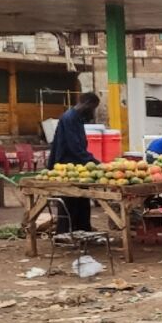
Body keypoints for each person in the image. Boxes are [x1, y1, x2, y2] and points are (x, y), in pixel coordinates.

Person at [47, 93, 100, 233]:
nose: (93, 112)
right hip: (67, 166)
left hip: (78, 167)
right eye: (94, 108)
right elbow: (74, 146)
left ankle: (82, 231)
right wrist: (93, 161)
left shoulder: (76, 118)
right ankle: (64, 235)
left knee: (82, 200)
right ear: (88, 103)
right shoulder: (70, 118)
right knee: (69, 202)